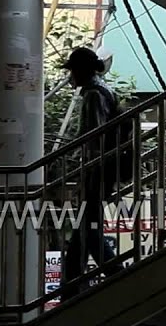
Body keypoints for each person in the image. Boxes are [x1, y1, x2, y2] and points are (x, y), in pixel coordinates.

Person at [59, 46, 122, 298]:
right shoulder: (102, 90)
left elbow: (94, 138)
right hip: (102, 169)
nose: (70, 77)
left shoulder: (94, 94)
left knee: (89, 230)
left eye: (72, 71)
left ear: (81, 71)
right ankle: (70, 287)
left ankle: (119, 276)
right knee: (85, 229)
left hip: (97, 171)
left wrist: (85, 171)